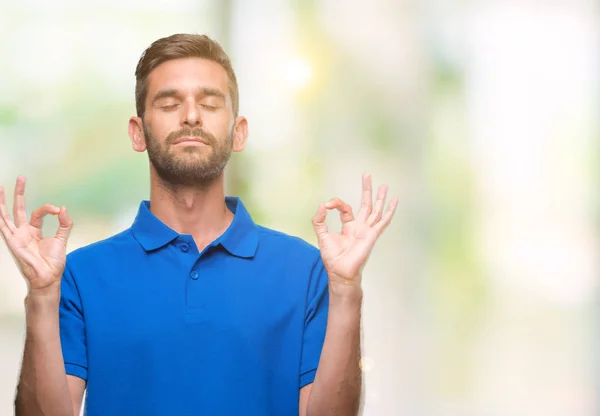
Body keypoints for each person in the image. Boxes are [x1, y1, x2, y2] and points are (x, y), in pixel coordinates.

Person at [1, 34, 397, 416]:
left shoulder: (306, 270)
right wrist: (40, 296)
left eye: (209, 103)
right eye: (170, 103)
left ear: (237, 132)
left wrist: (346, 290)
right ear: (138, 133)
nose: (191, 116)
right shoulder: (80, 276)